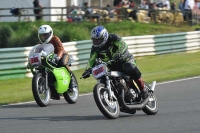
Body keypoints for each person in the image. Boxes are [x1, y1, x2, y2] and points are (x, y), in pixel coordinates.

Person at [81, 26, 149, 99]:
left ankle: (144, 90)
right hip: (112, 66)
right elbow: (91, 59)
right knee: (109, 79)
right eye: (94, 40)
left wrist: (119, 53)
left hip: (125, 60)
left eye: (98, 40)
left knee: (130, 68)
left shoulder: (113, 38)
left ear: (104, 37)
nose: (96, 42)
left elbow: (123, 45)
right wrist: (87, 70)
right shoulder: (95, 48)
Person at [37, 25, 76, 99]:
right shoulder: (40, 43)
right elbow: (37, 52)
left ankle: (72, 81)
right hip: (49, 59)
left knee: (63, 64)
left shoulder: (55, 38)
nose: (43, 37)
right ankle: (53, 91)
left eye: (45, 35)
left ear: (50, 33)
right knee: (46, 71)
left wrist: (58, 57)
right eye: (42, 35)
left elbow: (61, 49)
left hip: (62, 55)